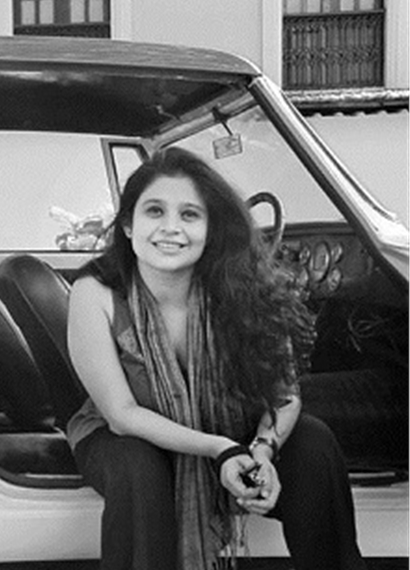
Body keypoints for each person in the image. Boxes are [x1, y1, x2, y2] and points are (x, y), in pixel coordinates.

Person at [66, 147, 365, 570]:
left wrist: (262, 451)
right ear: (129, 225)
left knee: (313, 443)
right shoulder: (95, 292)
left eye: (190, 215)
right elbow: (122, 415)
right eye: (155, 211)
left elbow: (284, 396)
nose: (171, 228)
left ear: (210, 229)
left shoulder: (245, 286)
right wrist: (221, 450)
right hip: (126, 435)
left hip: (227, 428)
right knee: (138, 466)